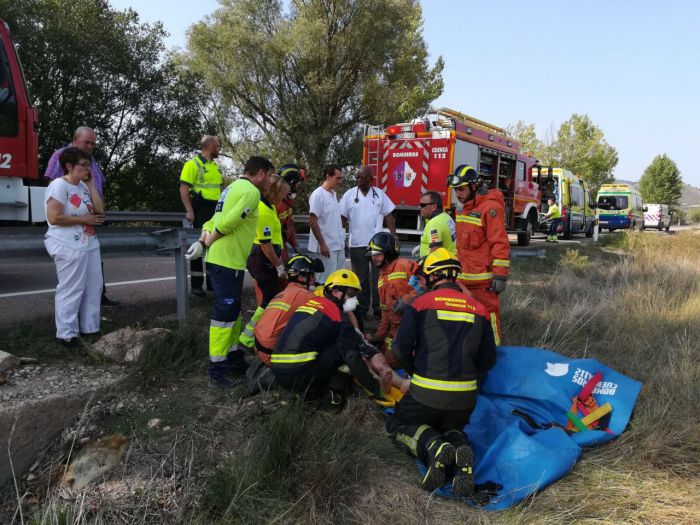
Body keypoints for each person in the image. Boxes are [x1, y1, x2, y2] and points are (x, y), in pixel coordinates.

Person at [387, 248, 496, 496]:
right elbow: (488, 359)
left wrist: (416, 373)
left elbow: (401, 350)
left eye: (423, 277)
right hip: (465, 401)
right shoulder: (479, 310)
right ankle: (459, 446)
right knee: (450, 425)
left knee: (398, 422)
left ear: (432, 277)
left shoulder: (420, 304)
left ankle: (433, 446)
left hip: (426, 394)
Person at [203, 156, 274, 388]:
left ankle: (232, 357)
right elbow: (228, 223)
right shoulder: (251, 192)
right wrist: (207, 242)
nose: (270, 181)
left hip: (224, 259)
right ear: (261, 173)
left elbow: (213, 219)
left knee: (233, 312)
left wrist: (204, 236)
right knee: (224, 316)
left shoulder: (230, 188)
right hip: (228, 260)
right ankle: (217, 369)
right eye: (270, 175)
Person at [270, 269, 383, 412]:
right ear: (336, 291)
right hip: (298, 376)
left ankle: (307, 390)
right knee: (346, 352)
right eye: (350, 294)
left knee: (333, 344)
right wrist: (375, 387)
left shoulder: (312, 303)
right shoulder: (339, 318)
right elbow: (353, 358)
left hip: (278, 371)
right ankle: (334, 397)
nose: (354, 299)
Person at [44, 126, 120, 307]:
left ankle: (98, 299)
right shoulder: (63, 155)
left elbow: (97, 185)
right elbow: (53, 186)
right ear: (75, 139)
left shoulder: (92, 161)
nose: (91, 146)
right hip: (70, 224)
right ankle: (67, 330)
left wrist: (94, 203)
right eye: (87, 142)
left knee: (93, 268)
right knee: (72, 283)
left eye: (93, 143)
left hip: (89, 221)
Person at [44, 147, 105, 347]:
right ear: (69, 166)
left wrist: (92, 185)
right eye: (84, 165)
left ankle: (90, 328)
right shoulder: (58, 185)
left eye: (89, 165)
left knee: (93, 287)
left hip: (88, 242)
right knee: (71, 288)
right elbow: (54, 217)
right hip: (67, 243)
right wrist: (84, 218)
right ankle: (66, 334)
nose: (88, 168)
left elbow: (100, 211)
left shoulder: (83, 187)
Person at [447, 165, 510, 345]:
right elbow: (460, 246)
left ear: (473, 187)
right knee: (466, 324)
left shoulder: (490, 208)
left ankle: (495, 356)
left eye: (461, 189)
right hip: (463, 280)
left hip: (483, 283)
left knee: (489, 324)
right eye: (455, 190)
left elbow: (499, 243)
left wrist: (499, 275)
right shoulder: (461, 209)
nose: (457, 194)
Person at [245, 255, 324, 393]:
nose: (314, 279)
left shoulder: (285, 292)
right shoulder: (304, 295)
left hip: (260, 347)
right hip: (272, 355)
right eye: (311, 275)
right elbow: (327, 306)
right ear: (301, 277)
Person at [238, 175, 291, 351]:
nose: (283, 198)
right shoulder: (263, 209)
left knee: (271, 299)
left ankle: (252, 335)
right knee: (270, 300)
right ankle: (249, 336)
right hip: (263, 259)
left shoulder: (269, 207)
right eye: (282, 194)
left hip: (265, 258)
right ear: (275, 192)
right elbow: (265, 243)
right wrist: (279, 266)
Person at [339, 165, 396, 323]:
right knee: (361, 279)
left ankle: (378, 309)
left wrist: (394, 237)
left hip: (377, 246)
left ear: (371, 179)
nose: (358, 179)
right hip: (357, 244)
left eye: (361, 177)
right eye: (357, 176)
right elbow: (342, 219)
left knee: (378, 278)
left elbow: (389, 216)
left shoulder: (379, 194)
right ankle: (363, 309)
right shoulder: (349, 195)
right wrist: (342, 238)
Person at [179, 135, 223, 296]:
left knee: (215, 245)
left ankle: (213, 284)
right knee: (199, 245)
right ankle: (197, 286)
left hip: (216, 209)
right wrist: (189, 210)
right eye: (218, 146)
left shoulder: (215, 166)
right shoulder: (192, 164)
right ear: (211, 146)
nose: (219, 149)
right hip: (201, 208)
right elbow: (184, 188)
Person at [365, 232, 417, 366]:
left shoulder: (404, 265)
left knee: (386, 362)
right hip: (394, 330)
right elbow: (385, 314)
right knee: (376, 355)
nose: (374, 258)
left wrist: (406, 301)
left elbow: (424, 287)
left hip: (410, 327)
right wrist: (378, 337)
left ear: (388, 252)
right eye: (373, 256)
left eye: (377, 254)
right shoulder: (381, 278)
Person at [308, 165, 345, 284]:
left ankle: (333, 303)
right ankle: (322, 302)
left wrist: (342, 241)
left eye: (341, 178)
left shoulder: (333, 194)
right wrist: (322, 244)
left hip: (338, 245)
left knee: (336, 281)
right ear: (328, 177)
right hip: (327, 247)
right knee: (324, 281)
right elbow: (313, 221)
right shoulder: (318, 195)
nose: (340, 181)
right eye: (338, 178)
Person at [276, 163, 305, 261]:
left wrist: (295, 245)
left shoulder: (287, 202)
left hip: (282, 252)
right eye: (297, 184)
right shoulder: (275, 203)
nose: (297, 188)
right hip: (274, 254)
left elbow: (289, 227)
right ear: (290, 183)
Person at [418, 191, 457, 258]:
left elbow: (435, 250)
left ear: (433, 207)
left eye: (423, 205)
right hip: (450, 261)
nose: (419, 207)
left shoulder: (434, 223)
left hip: (439, 265)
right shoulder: (446, 216)